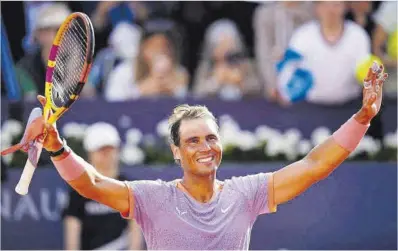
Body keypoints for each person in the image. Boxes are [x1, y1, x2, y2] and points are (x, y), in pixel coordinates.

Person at [36, 62, 387, 250]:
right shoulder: (152, 198)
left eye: (210, 138)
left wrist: (362, 118)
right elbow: (92, 183)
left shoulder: (246, 193)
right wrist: (56, 146)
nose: (205, 147)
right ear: (175, 151)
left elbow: (314, 166)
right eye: (192, 141)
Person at [62, 122, 144, 250]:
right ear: (90, 153)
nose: (106, 155)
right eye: (101, 150)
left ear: (118, 150)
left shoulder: (130, 188)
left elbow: (136, 231)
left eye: (110, 149)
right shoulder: (79, 191)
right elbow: (72, 234)